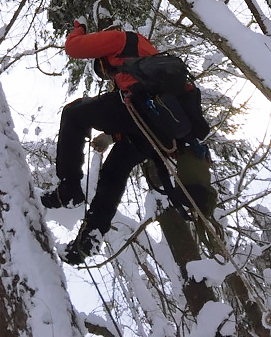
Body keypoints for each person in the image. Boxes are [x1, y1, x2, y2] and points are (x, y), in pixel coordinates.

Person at [42, 14, 177, 264]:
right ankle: (90, 237)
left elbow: (74, 47)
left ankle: (69, 188)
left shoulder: (120, 39)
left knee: (73, 114)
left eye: (104, 70)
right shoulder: (145, 56)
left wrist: (78, 27)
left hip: (138, 105)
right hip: (154, 128)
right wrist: (111, 136)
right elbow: (133, 121)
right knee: (114, 171)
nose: (107, 75)